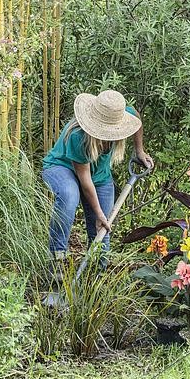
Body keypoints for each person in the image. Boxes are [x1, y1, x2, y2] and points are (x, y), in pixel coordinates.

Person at [42, 90, 153, 279]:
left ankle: (96, 275)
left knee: (102, 232)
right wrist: (99, 213)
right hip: (62, 168)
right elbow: (84, 180)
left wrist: (139, 151)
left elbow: (135, 116)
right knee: (70, 195)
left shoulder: (120, 113)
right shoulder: (77, 134)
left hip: (99, 176)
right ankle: (56, 261)